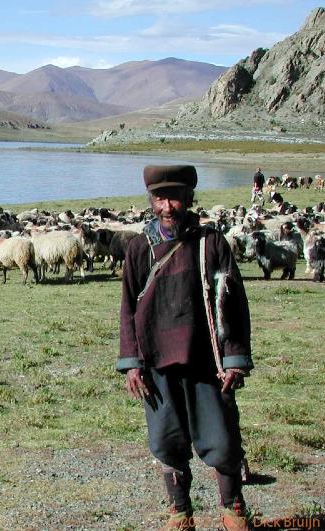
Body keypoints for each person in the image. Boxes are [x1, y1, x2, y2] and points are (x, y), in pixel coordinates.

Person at [117, 165, 254, 531]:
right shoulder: (138, 249)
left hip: (205, 361)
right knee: (166, 438)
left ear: (189, 199)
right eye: (160, 198)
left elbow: (233, 303)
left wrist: (235, 359)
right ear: (151, 201)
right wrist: (132, 363)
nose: (167, 206)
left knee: (222, 438)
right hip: (156, 363)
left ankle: (233, 508)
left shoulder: (211, 244)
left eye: (174, 197)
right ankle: (180, 512)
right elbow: (129, 308)